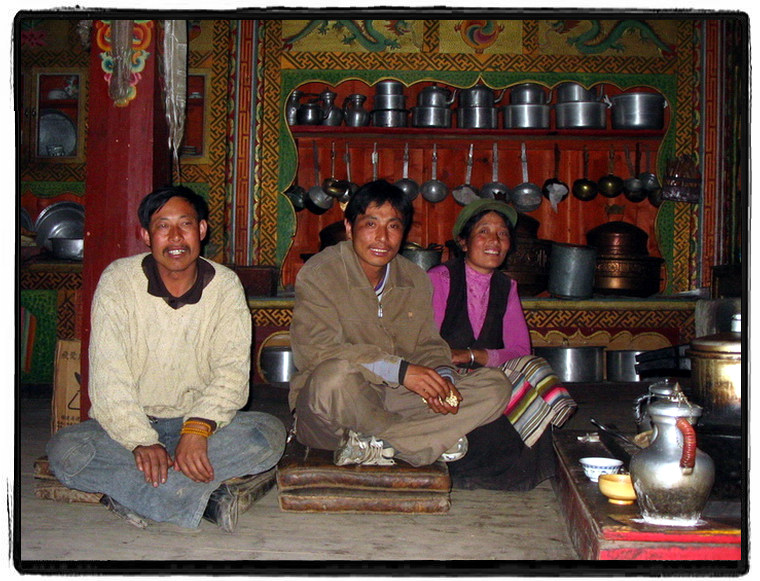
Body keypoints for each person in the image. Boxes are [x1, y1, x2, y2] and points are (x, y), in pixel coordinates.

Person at [46, 185, 286, 533]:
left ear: (201, 230)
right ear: (146, 235)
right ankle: (195, 497)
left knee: (268, 435)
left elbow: (232, 373)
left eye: (185, 224)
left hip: (202, 428)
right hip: (130, 429)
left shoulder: (225, 286)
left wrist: (197, 429)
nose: (175, 237)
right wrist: (141, 440)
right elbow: (108, 377)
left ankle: (140, 493)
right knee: (66, 450)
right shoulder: (119, 282)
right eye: (162, 226)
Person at [288, 179, 516, 472]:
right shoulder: (320, 273)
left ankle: (382, 444)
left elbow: (428, 344)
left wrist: (443, 378)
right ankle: (420, 441)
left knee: (496, 385)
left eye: (393, 226)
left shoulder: (414, 278)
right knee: (334, 376)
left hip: (395, 399)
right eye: (371, 224)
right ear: (349, 227)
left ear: (403, 232)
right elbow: (317, 352)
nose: (382, 238)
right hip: (337, 403)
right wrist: (400, 371)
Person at [427, 198, 577, 489]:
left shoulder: (506, 286)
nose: (494, 241)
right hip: (443, 379)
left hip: (484, 376)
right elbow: (425, 344)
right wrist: (455, 361)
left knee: (533, 367)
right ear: (463, 242)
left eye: (503, 234)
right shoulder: (441, 278)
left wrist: (473, 356)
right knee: (516, 388)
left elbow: (520, 351)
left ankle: (526, 454)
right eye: (483, 231)